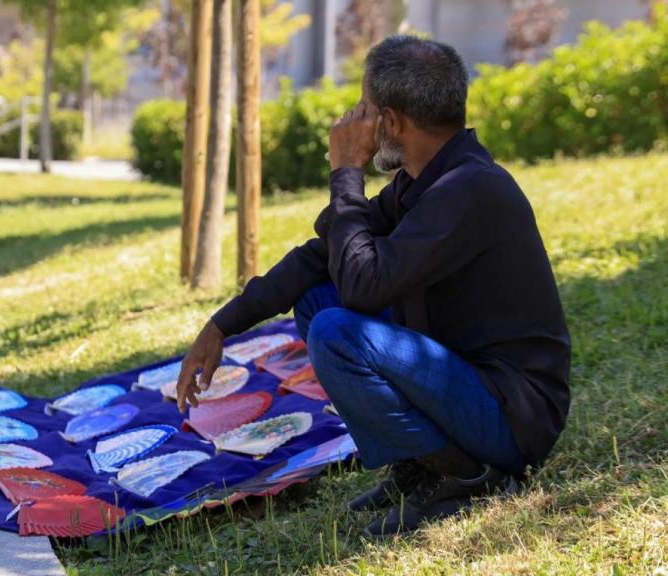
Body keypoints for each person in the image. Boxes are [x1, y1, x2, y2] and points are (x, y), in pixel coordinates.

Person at [175, 36, 571, 537]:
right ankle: (420, 461)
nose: (350, 119)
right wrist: (221, 325)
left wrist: (346, 173)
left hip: (513, 419)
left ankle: (467, 477)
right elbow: (321, 259)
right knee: (318, 298)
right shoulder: (425, 181)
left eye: (363, 108)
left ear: (392, 121)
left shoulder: (470, 190)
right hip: (465, 383)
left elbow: (363, 287)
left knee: (337, 330)